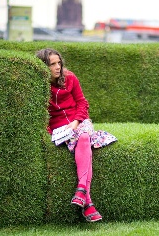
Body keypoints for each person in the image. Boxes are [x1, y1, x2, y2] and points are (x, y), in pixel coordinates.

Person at [36, 48, 116, 222]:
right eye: (52, 64)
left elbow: (82, 102)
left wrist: (76, 122)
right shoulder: (39, 86)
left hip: (79, 122)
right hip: (59, 129)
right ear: (44, 67)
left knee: (84, 137)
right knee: (84, 141)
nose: (58, 67)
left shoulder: (70, 77)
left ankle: (81, 189)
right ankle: (87, 202)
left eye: (59, 63)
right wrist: (54, 132)